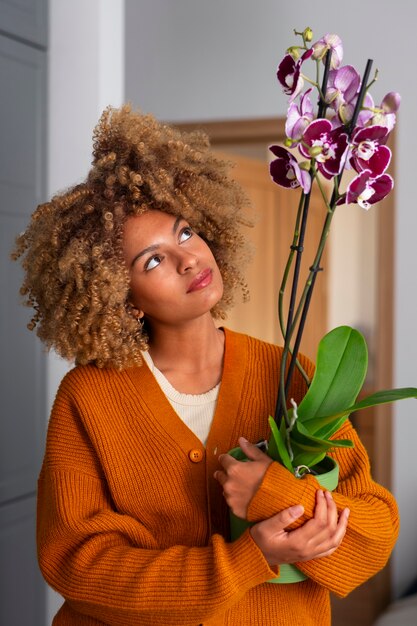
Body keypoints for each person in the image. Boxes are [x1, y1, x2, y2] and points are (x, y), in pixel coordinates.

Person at [13, 105, 399, 626]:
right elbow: (78, 564)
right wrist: (250, 560)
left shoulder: (288, 375)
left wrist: (278, 495)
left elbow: (372, 537)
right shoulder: (89, 397)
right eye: (152, 260)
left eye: (186, 233)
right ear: (122, 298)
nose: (188, 259)